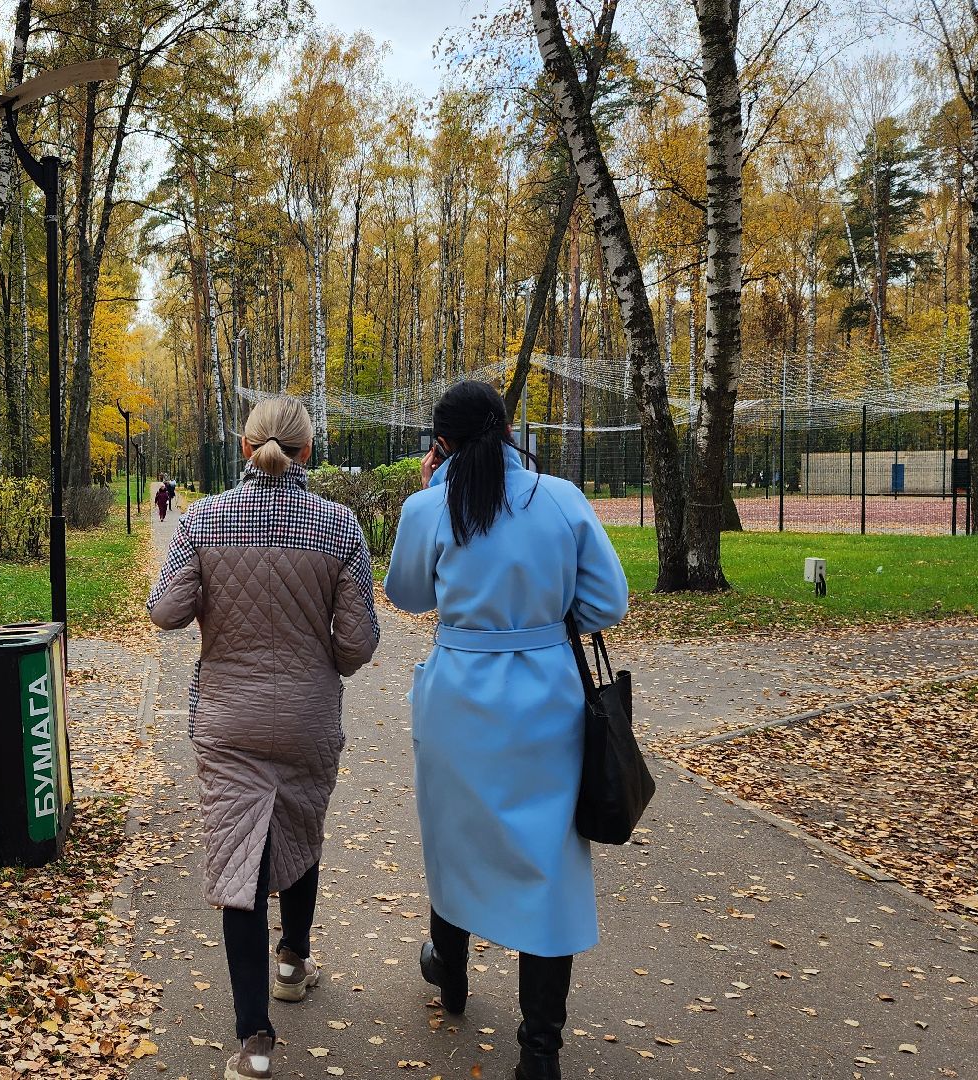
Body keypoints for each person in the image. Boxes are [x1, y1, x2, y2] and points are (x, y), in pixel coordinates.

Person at [383, 381, 629, 1080]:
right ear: (508, 430)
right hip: (548, 698)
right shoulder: (561, 497)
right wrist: (545, 613)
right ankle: (539, 1052)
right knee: (548, 862)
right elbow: (608, 601)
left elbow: (407, 595)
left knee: (454, 833)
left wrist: (431, 502)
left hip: (459, 695)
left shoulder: (429, 505)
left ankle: (450, 969)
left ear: (442, 442)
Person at [147, 397, 380, 1080]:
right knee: (301, 828)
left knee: (238, 864)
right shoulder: (340, 527)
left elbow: (165, 610)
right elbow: (356, 644)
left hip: (227, 722)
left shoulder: (204, 519)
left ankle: (253, 1043)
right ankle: (293, 959)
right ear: (307, 453)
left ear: (244, 449)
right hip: (309, 717)